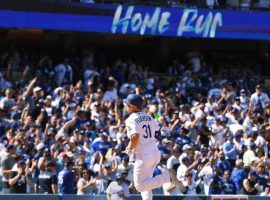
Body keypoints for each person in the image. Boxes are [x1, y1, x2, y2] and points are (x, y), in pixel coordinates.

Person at [123, 94, 180, 200]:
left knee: (140, 186)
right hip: (154, 152)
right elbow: (157, 132)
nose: (126, 106)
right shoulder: (149, 116)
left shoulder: (132, 119)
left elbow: (135, 137)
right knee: (146, 183)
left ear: (134, 106)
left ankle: (166, 177)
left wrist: (129, 150)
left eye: (128, 104)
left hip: (143, 155)